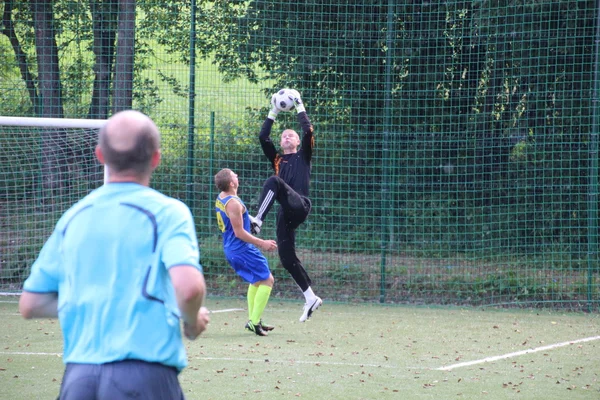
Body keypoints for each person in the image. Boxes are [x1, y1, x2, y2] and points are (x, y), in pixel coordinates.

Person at [19, 110, 209, 400]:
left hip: (79, 378)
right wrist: (192, 321)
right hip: (145, 377)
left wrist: (94, 302)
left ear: (100, 155)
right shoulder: (169, 213)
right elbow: (189, 288)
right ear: (156, 158)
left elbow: (31, 304)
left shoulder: (73, 217)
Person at [249, 89, 323, 322]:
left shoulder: (304, 156)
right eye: (284, 136)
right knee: (287, 257)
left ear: (298, 141)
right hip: (285, 213)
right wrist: (272, 112)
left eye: (291, 135)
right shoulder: (278, 159)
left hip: (300, 205)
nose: (287, 137)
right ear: (280, 143)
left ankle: (257, 221)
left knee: (274, 181)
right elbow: (263, 138)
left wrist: (300, 106)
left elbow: (309, 129)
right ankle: (310, 297)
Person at [214, 168, 278, 336]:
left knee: (257, 280)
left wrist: (250, 220)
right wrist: (262, 243)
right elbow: (239, 232)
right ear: (231, 183)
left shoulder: (223, 197)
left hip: (233, 248)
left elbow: (236, 220)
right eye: (234, 174)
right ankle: (254, 322)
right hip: (240, 248)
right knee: (268, 280)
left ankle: (254, 318)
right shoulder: (233, 203)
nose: (237, 175)